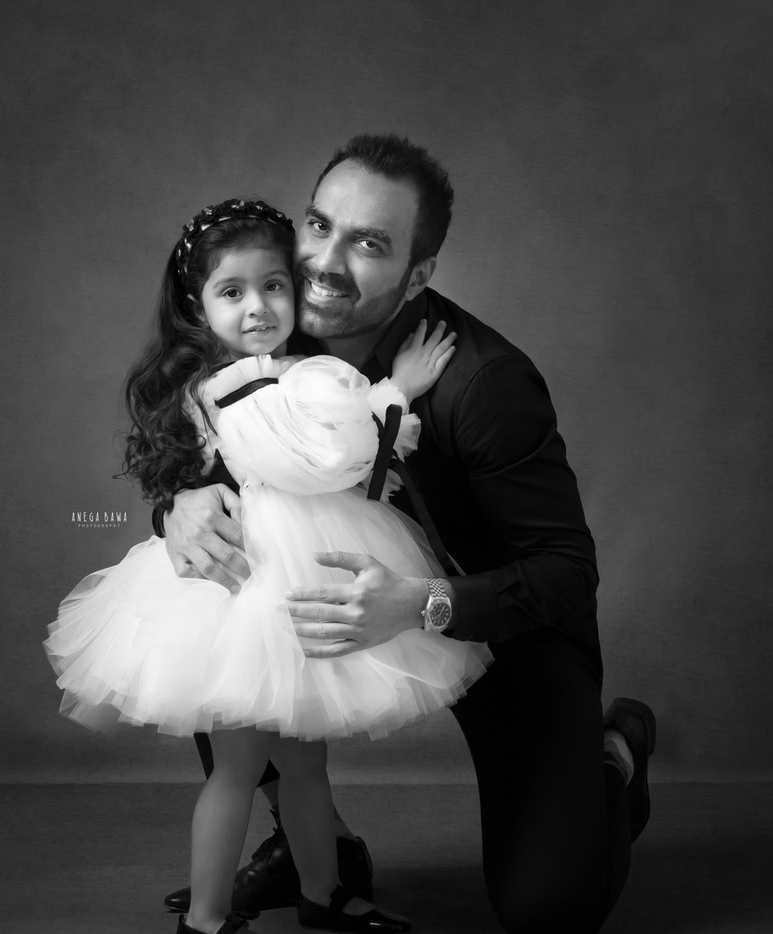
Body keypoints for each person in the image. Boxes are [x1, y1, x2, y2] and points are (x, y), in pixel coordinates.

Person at [156, 136, 657, 934]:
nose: (324, 260)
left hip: (493, 624)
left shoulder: (486, 384)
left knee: (549, 908)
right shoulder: (269, 326)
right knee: (217, 634)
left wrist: (423, 603)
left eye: (368, 243)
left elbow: (566, 573)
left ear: (419, 274)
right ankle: (316, 850)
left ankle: (613, 758)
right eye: (318, 226)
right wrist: (178, 508)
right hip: (331, 601)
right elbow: (210, 458)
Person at [44, 198, 494, 934]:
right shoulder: (236, 384)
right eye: (232, 292)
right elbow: (321, 461)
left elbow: (360, 476)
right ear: (198, 305)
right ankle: (211, 918)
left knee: (304, 769)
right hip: (256, 583)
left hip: (295, 575)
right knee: (239, 768)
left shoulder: (286, 371)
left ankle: (326, 894)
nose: (258, 307)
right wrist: (399, 391)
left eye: (274, 286)